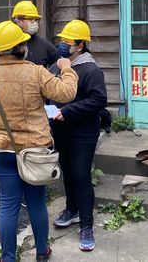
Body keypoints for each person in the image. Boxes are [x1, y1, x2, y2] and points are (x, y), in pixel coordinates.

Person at [0, 20, 78, 262]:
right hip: (35, 149)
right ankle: (42, 252)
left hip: (3, 149)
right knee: (36, 202)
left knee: (9, 204)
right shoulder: (35, 72)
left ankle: (8, 258)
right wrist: (67, 68)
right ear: (21, 47)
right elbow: (66, 93)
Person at [48, 19, 108, 252]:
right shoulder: (59, 65)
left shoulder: (90, 69)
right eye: (62, 40)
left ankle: (86, 225)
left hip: (83, 133)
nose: (63, 44)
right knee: (68, 174)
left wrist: (68, 111)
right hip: (61, 130)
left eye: (67, 42)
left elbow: (98, 100)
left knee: (82, 176)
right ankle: (71, 209)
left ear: (80, 45)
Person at [0, 0, 59, 72]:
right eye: (30, 19)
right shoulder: (4, 41)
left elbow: (60, 64)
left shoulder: (44, 45)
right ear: (17, 20)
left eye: (36, 19)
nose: (34, 22)